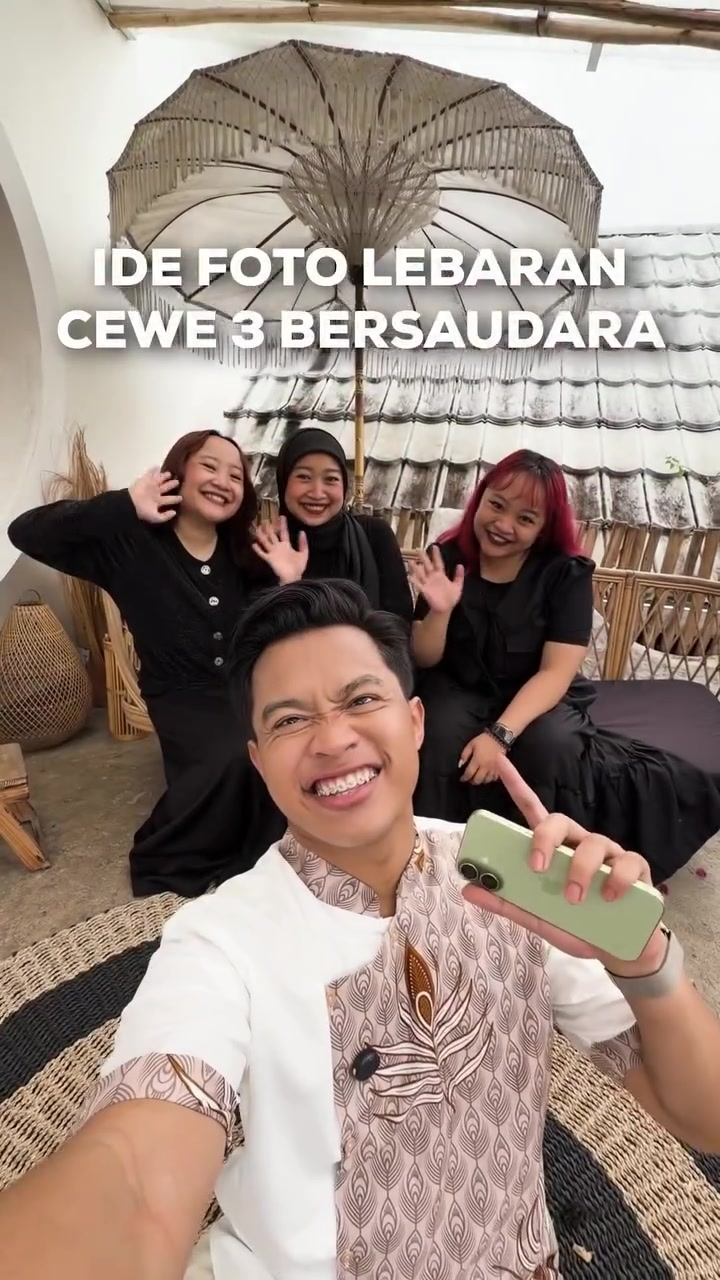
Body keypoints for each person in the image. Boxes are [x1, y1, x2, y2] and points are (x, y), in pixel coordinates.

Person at [2, 579, 719, 1280]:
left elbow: (703, 1117)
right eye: (290, 721)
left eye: (362, 699)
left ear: (415, 721)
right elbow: (134, 1179)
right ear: (258, 761)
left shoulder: (511, 886)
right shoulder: (220, 942)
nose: (334, 738)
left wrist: (644, 963)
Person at [410, 448, 720, 884]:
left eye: (525, 518)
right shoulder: (446, 556)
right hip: (458, 686)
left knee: (550, 744)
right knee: (438, 733)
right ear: (480, 500)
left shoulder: (564, 574)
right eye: (496, 505)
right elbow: (424, 657)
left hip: (538, 691)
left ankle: (539, 867)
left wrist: (499, 736)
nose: (503, 524)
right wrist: (440, 611)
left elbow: (556, 671)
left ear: (544, 527)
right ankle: (438, 860)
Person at [8, 429, 283, 897]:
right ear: (177, 472)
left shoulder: (246, 554)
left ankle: (268, 856)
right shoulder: (131, 543)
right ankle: (188, 851)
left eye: (236, 475)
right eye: (209, 466)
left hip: (246, 687)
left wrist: (287, 581)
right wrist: (123, 505)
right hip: (179, 694)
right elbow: (24, 531)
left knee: (277, 749)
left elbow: (275, 630)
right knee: (235, 756)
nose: (223, 481)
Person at [252, 427, 414, 624]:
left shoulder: (374, 535)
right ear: (284, 480)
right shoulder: (268, 548)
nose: (317, 492)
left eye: (331, 479)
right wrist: (289, 584)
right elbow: (257, 633)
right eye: (304, 477)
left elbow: (399, 624)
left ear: (344, 485)